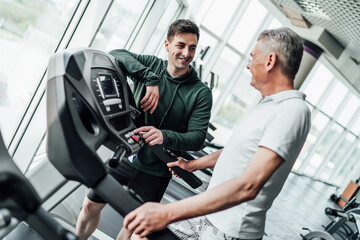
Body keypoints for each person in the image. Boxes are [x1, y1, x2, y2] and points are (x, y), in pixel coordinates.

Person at [123, 27, 311, 240]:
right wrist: (192, 165)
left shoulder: (292, 111)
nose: (248, 65)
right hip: (211, 215)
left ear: (269, 61)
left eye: (252, 58)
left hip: (230, 229)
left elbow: (249, 186)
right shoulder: (268, 106)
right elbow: (237, 152)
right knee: (139, 233)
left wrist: (166, 212)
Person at [75, 19, 212, 240]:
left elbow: (197, 138)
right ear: (167, 45)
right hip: (125, 157)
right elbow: (116, 53)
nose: (186, 53)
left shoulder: (200, 93)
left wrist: (163, 135)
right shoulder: (152, 66)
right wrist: (150, 78)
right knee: (90, 205)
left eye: (192, 47)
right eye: (180, 45)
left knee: (133, 228)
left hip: (155, 171)